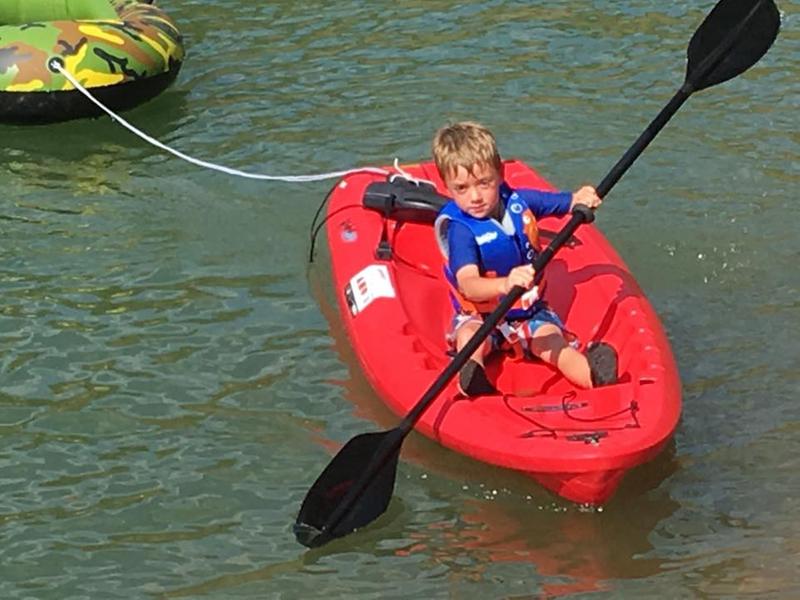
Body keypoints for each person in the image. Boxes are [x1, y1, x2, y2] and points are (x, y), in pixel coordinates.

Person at [432, 121, 618, 397]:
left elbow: (556, 203)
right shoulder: (461, 230)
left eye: (484, 183)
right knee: (469, 335)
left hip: (528, 313)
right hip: (481, 315)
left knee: (551, 342)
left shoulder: (516, 201)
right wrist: (505, 284)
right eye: (462, 188)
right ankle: (471, 374)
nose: (475, 197)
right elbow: (468, 284)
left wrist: (578, 198)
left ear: (500, 174)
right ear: (447, 187)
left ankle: (592, 376)